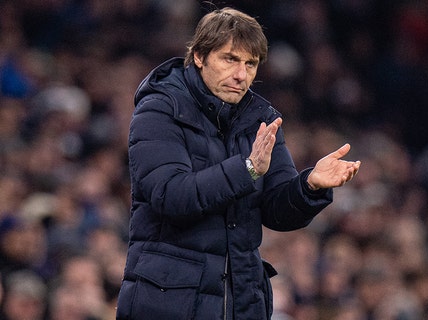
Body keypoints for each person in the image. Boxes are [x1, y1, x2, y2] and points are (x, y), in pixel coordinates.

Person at [115, 7, 361, 320]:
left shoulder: (262, 118)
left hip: (241, 301)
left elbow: (276, 211)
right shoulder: (160, 110)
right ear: (200, 56)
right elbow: (171, 195)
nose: (241, 75)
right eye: (230, 59)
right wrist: (246, 171)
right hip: (167, 302)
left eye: (251, 64)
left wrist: (308, 185)